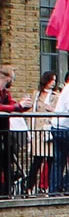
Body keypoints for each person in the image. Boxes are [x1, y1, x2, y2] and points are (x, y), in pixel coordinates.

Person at [0, 65, 33, 197]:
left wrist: (23, 106)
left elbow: (12, 106)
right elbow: (8, 106)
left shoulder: (5, 93)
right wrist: (16, 106)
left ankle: (7, 192)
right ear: (7, 77)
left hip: (5, 130)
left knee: (8, 160)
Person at [23, 71, 58, 194]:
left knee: (50, 161)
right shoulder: (36, 95)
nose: (53, 82)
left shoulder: (56, 96)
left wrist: (52, 109)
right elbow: (29, 112)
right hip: (37, 132)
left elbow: (59, 112)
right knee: (37, 160)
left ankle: (46, 187)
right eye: (51, 80)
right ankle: (29, 187)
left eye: (55, 80)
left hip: (48, 132)